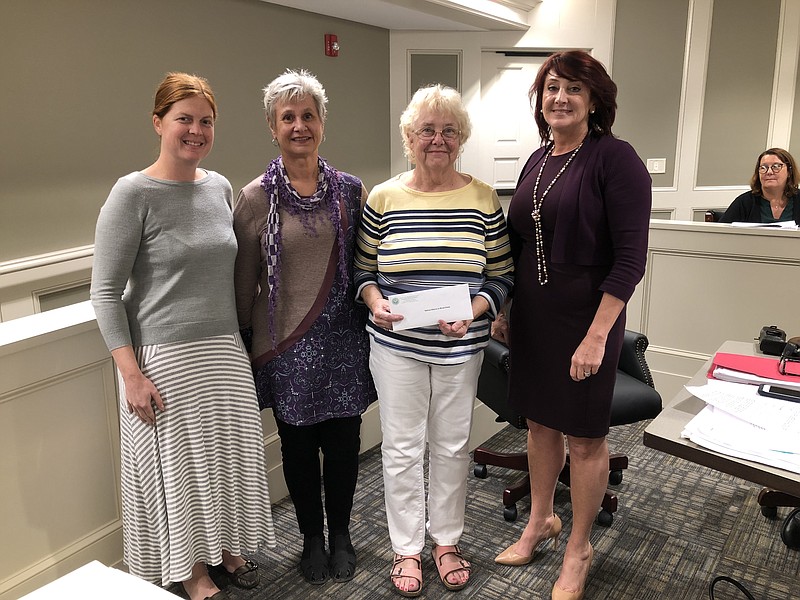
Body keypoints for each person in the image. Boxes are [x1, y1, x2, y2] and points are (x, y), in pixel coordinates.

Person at [90, 73, 275, 600]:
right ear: (158, 123)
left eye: (205, 122)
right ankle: (191, 570)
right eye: (184, 120)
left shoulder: (218, 187)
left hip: (223, 351)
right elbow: (104, 291)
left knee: (228, 458)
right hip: (165, 357)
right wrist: (130, 374)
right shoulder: (132, 193)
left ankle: (227, 549)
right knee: (181, 471)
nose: (195, 131)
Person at [491, 51, 651, 600]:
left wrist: (597, 335)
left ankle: (578, 548)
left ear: (594, 100)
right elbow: (518, 246)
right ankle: (541, 521)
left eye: (573, 89)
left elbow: (630, 259)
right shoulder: (536, 161)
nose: (560, 98)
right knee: (538, 426)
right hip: (535, 317)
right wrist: (507, 311)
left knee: (585, 440)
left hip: (588, 320)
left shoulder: (616, 159)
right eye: (552, 87)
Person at [354, 84, 514, 596]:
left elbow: (502, 275)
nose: (438, 139)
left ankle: (446, 541)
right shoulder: (383, 196)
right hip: (397, 346)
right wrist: (375, 302)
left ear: (461, 137)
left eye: (448, 130)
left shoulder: (483, 197)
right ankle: (407, 549)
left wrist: (474, 310)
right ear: (410, 137)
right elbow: (362, 272)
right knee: (401, 448)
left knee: (451, 446)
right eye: (427, 130)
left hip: (460, 347)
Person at [233, 69, 376, 586]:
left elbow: (368, 267)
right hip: (285, 349)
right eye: (287, 117)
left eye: (308, 115)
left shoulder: (351, 191)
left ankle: (341, 534)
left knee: (342, 448)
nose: (299, 126)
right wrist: (247, 351)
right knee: (297, 452)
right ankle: (311, 538)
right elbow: (244, 283)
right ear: (273, 127)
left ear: (322, 123)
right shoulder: (255, 199)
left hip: (343, 342)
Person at [719, 148, 800, 224]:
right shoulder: (745, 202)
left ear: (789, 171)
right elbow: (720, 234)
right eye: (763, 167)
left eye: (776, 167)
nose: (769, 172)